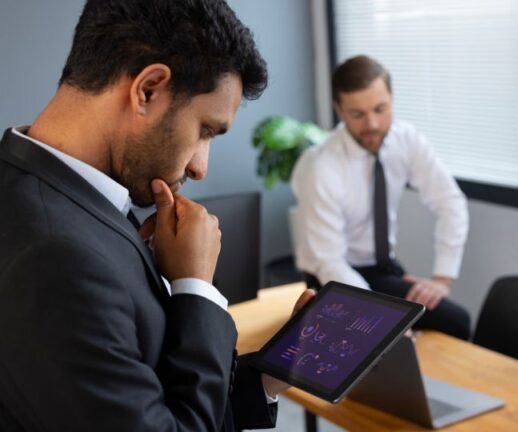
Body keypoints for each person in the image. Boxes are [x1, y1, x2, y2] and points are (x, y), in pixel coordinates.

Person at [0, 1, 315, 430]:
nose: (200, 167)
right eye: (206, 129)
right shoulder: (55, 256)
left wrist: (267, 377)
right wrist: (195, 289)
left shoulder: (70, 196)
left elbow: (149, 397)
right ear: (147, 89)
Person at [291, 55, 471, 340]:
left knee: (456, 322)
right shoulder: (321, 166)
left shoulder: (406, 140)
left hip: (383, 267)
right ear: (339, 109)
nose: (372, 124)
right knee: (375, 344)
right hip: (332, 276)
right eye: (357, 114)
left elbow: (450, 202)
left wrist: (442, 279)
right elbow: (329, 262)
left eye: (380, 109)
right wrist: (376, 319)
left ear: (392, 99)